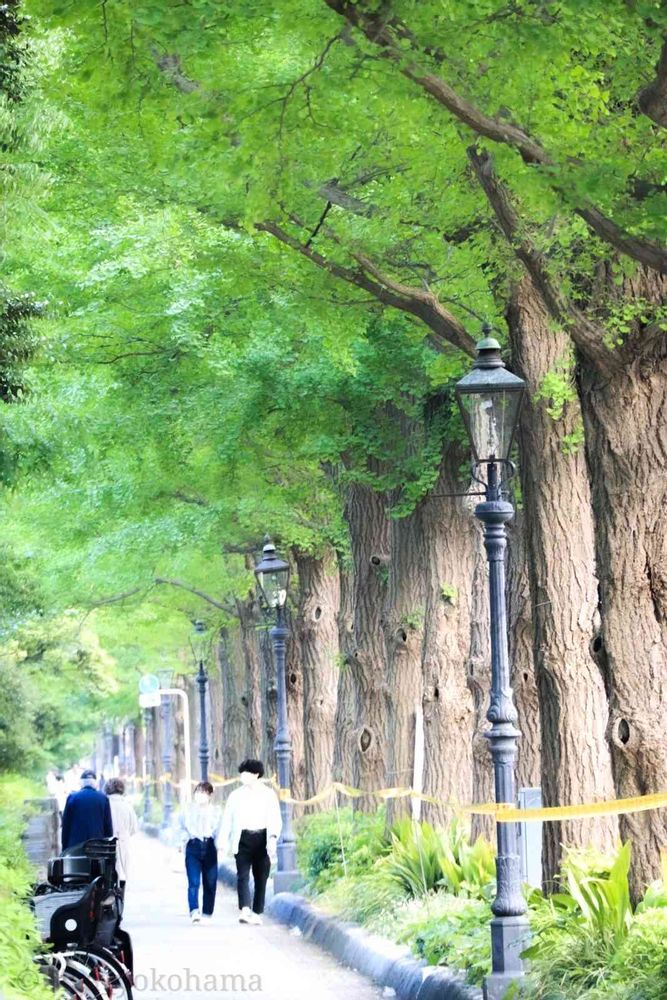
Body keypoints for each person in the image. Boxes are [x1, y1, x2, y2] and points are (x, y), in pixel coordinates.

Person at [220, 759, 282, 926]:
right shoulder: (235, 796)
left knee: (261, 876)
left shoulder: (268, 795)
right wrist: (222, 842)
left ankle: (256, 911)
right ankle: (245, 909)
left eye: (246, 773)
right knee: (242, 875)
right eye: (242, 774)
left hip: (262, 838)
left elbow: (275, 818)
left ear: (256, 775)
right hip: (242, 839)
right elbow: (227, 819)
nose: (243, 777)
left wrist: (272, 838)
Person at [178, 781, 224, 924]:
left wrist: (221, 847)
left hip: (210, 846)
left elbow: (220, 831)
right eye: (197, 792)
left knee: (210, 882)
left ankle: (207, 912)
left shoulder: (216, 811)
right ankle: (194, 910)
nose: (200, 795)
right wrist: (181, 843)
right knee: (194, 881)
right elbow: (182, 828)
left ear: (210, 795)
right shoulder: (187, 810)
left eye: (203, 793)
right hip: (193, 845)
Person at [61, 769, 113, 850]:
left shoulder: (72, 798)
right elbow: (108, 827)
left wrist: (64, 848)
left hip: (75, 847)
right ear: (95, 783)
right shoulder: (103, 798)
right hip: (97, 847)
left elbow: (66, 825)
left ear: (81, 783)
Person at [104, 777, 138, 896]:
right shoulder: (127, 806)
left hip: (106, 844)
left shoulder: (104, 803)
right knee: (123, 873)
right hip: (124, 842)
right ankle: (121, 896)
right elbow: (134, 828)